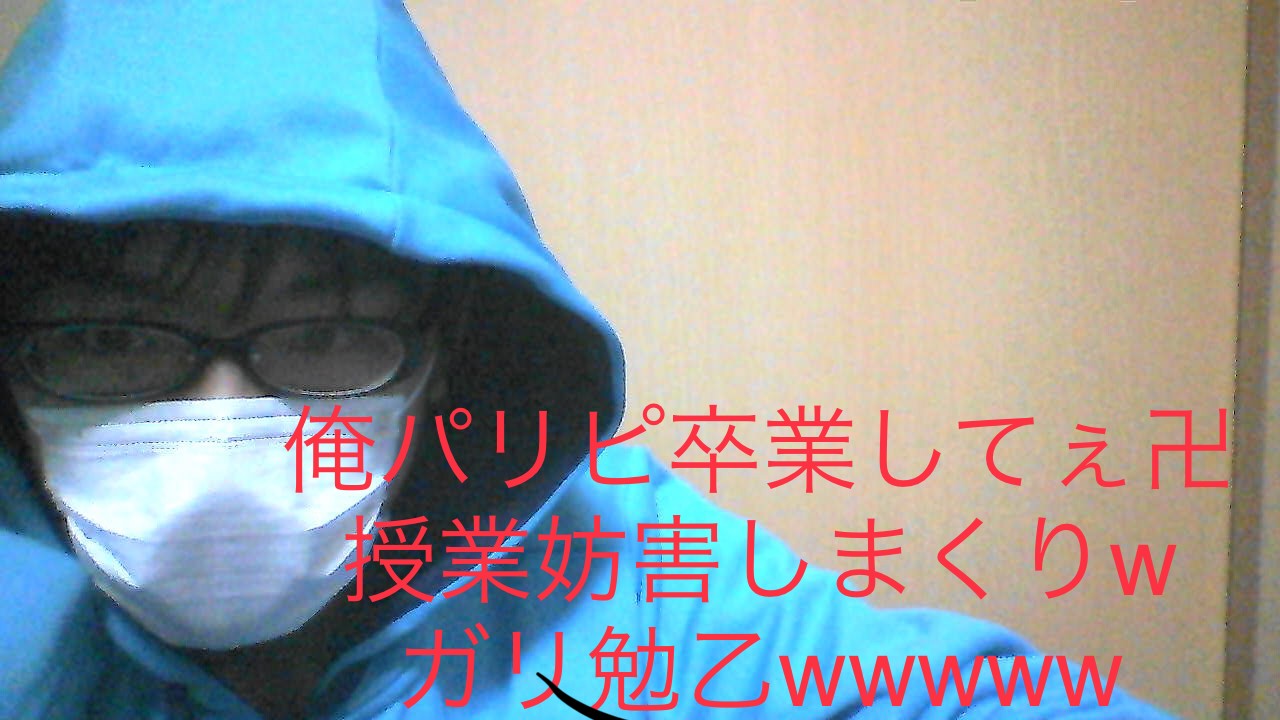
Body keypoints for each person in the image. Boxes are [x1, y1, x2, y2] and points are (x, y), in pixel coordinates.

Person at [0, 2, 1179, 718]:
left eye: (322, 336)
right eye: (110, 340)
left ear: (444, 358)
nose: (218, 427)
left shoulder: (652, 594)